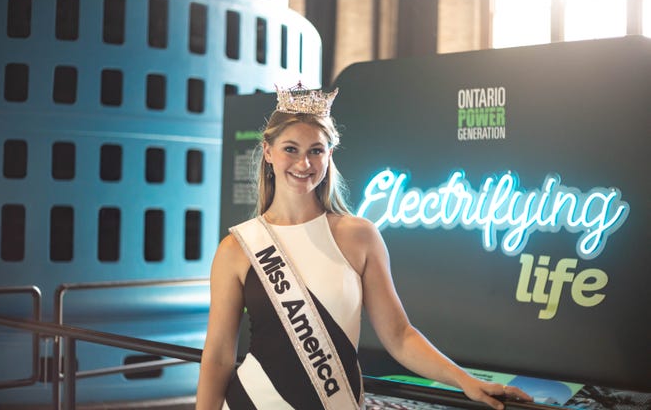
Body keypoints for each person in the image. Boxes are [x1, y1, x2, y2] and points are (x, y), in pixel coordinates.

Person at [196, 83, 533, 410]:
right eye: (290, 149)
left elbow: (400, 336)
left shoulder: (359, 236)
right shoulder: (237, 248)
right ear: (268, 152)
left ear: (329, 154)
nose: (304, 164)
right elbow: (220, 353)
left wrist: (465, 381)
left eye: (316, 150)